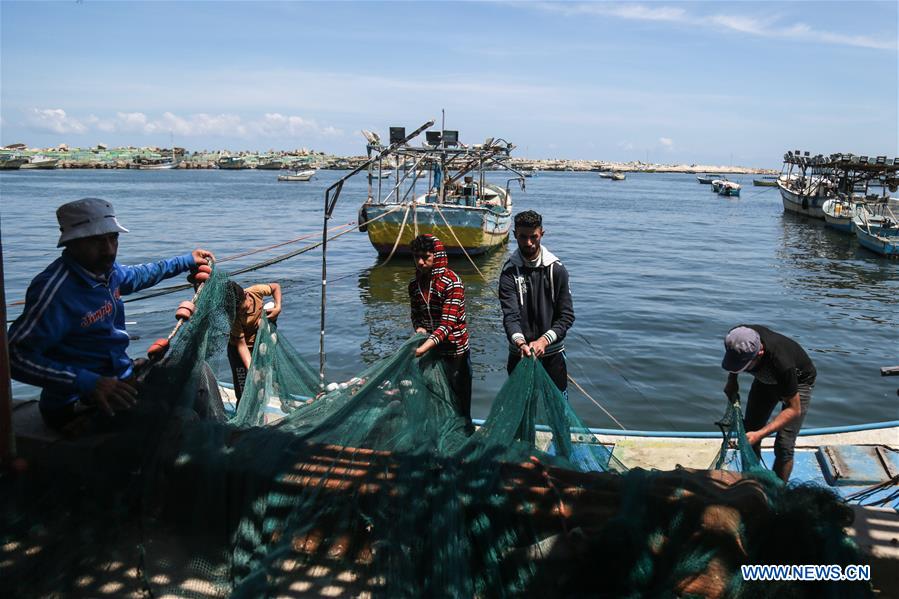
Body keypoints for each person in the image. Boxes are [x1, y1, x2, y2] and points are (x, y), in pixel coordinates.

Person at [7, 198, 214, 431]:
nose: (108, 249)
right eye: (97, 240)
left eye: (113, 238)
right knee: (180, 423)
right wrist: (89, 383)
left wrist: (186, 261)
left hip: (120, 380)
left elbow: (139, 275)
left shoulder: (106, 272)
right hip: (78, 404)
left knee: (197, 387)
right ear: (72, 243)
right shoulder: (56, 292)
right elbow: (13, 357)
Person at [721, 325, 816, 482]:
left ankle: (777, 493)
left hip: (798, 381)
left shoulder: (782, 363)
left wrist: (760, 434)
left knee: (784, 445)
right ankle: (753, 484)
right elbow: (735, 357)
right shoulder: (738, 336)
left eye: (743, 365)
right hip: (765, 380)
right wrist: (732, 380)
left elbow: (794, 410)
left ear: (760, 353)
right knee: (749, 433)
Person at [499, 210, 575, 393]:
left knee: (558, 412)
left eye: (534, 237)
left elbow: (566, 317)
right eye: (522, 237)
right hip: (520, 355)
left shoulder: (556, 270)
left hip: (552, 355)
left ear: (542, 233)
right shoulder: (509, 272)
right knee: (522, 412)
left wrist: (543, 341)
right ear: (514, 234)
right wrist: (521, 344)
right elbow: (510, 316)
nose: (528, 243)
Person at [408, 234, 472, 429]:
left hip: (455, 353)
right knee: (433, 398)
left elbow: (446, 325)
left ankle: (463, 433)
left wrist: (421, 349)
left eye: (426, 257)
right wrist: (419, 329)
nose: (420, 262)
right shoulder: (414, 286)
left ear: (437, 256)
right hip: (431, 351)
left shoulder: (452, 283)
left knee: (458, 400)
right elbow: (416, 316)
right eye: (416, 256)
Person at [227, 281, 282, 401]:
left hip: (258, 346)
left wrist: (277, 307)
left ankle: (261, 414)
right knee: (244, 391)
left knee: (262, 384)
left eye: (242, 308)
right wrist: (251, 369)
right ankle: (243, 414)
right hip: (238, 352)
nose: (240, 312)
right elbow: (241, 345)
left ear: (246, 296)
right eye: (236, 310)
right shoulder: (234, 316)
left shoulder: (256, 291)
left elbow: (275, 287)